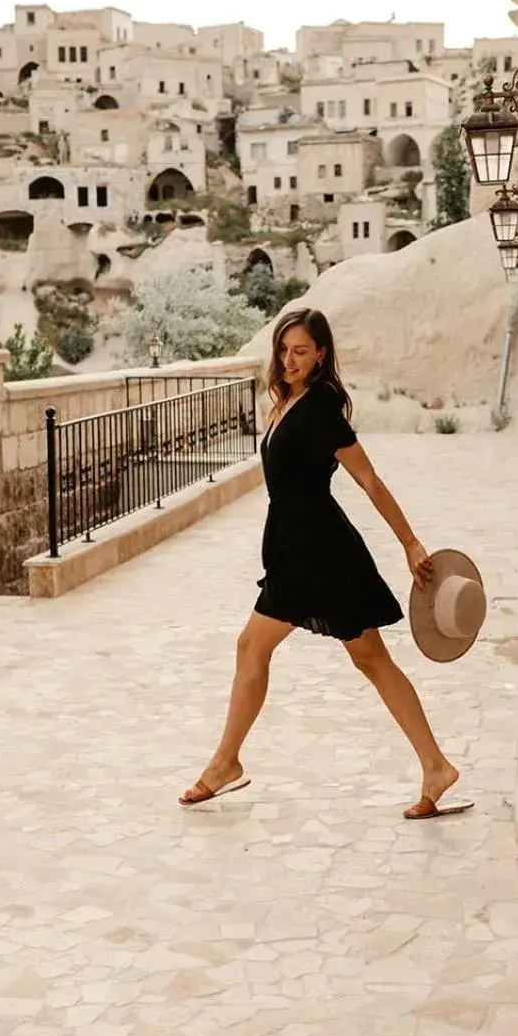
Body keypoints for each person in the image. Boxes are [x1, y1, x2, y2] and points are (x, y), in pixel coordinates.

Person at [180, 306, 461, 819]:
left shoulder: (323, 406)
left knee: (354, 657)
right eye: (284, 350)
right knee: (356, 658)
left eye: (301, 352)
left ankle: (226, 763)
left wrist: (410, 542)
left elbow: (368, 479)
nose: (289, 359)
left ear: (322, 354)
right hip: (297, 546)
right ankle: (435, 765)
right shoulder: (288, 399)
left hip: (322, 551)